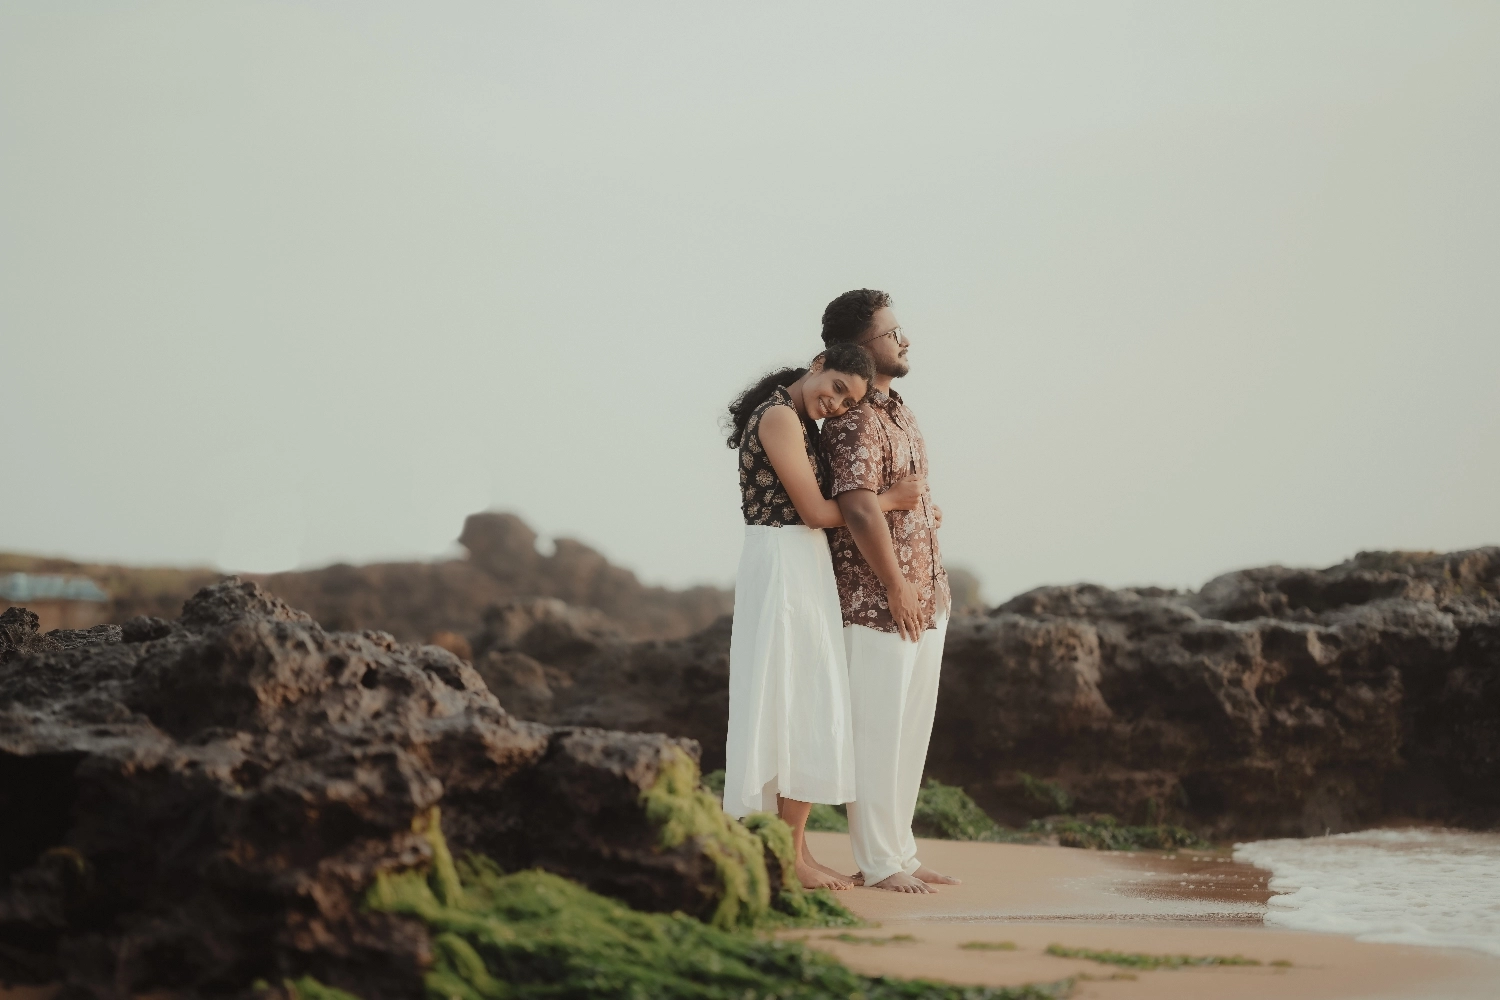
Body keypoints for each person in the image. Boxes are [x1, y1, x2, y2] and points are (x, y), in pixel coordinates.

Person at [722, 342, 925, 891]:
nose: (835, 404)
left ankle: (795, 852)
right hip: (783, 561)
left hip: (799, 560)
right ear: (817, 365)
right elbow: (813, 511)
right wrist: (888, 500)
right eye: (835, 388)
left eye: (848, 401)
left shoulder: (796, 419)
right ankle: (787, 856)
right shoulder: (779, 418)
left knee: (799, 703)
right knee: (795, 701)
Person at [819, 289, 960, 894]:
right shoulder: (853, 418)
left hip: (928, 594)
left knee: (910, 733)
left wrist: (926, 519)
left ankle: (901, 851)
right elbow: (857, 508)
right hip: (879, 601)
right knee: (877, 735)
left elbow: (902, 496)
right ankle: (878, 862)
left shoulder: (899, 409)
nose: (905, 340)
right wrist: (897, 586)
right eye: (891, 332)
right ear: (859, 344)